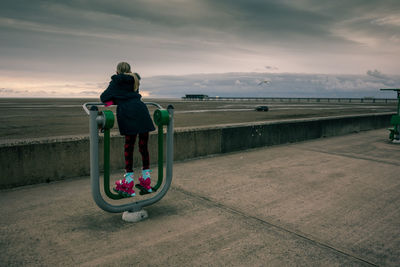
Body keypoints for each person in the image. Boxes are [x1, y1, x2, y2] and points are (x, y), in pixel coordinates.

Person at [100, 62, 155, 197]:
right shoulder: (135, 79)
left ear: (117, 71)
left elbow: (104, 98)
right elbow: (130, 94)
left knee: (129, 147)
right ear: (130, 70)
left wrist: (114, 101)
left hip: (128, 113)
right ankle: (146, 181)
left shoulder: (116, 80)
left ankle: (128, 183)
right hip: (141, 110)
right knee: (143, 147)